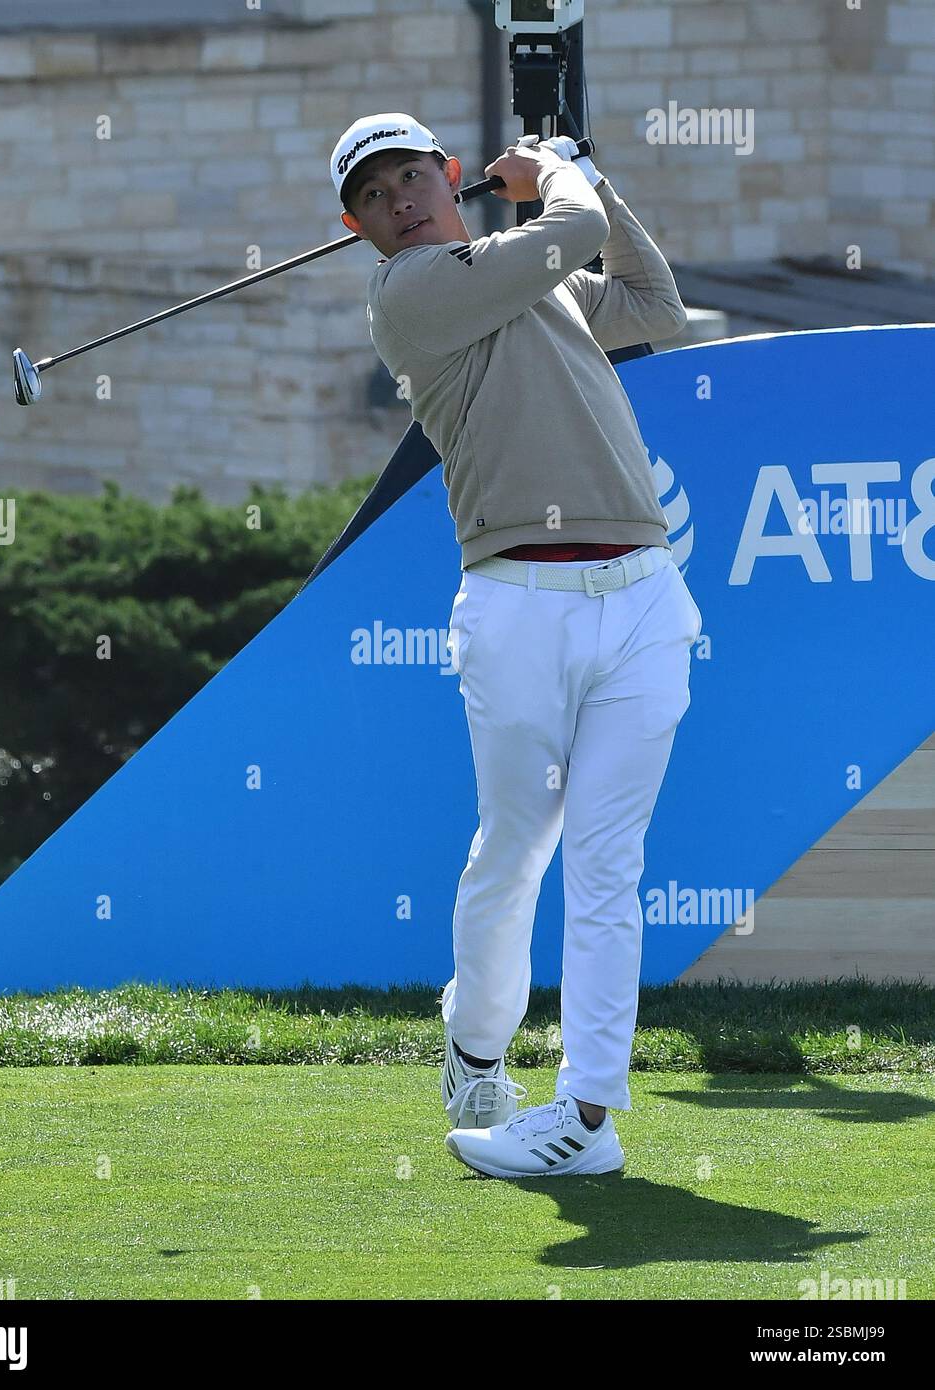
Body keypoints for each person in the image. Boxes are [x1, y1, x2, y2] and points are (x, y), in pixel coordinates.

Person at [329, 113, 701, 1179]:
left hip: (641, 593)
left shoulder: (531, 279)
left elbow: (655, 307)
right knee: (518, 843)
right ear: (357, 227)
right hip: (519, 598)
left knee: (606, 866)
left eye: (413, 176)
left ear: (450, 176)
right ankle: (478, 1046)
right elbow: (568, 236)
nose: (400, 199)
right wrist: (560, 176)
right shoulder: (410, 294)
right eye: (375, 195)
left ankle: (585, 1116)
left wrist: (592, 184)